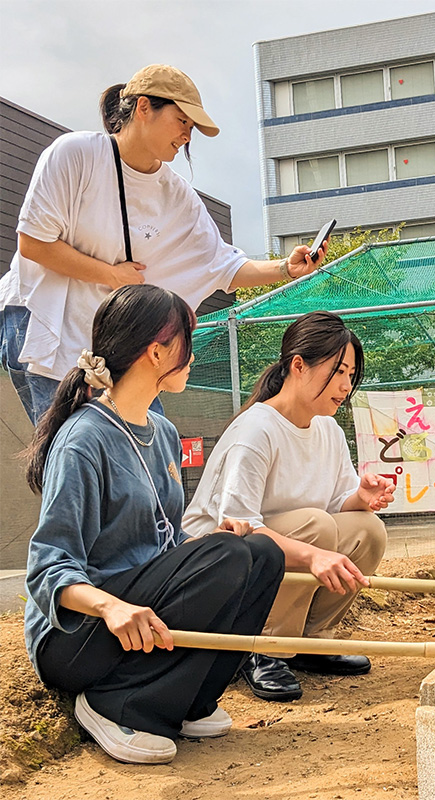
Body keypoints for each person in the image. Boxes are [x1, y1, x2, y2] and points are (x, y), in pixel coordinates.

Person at [24, 284, 287, 765]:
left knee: (262, 555)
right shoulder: (83, 441)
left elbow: (163, 541)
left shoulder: (162, 432)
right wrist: (112, 608)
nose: (193, 351)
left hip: (138, 611)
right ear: (157, 350)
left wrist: (210, 546)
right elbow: (48, 569)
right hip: (79, 635)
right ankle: (114, 703)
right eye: (188, 339)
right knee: (230, 556)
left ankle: (186, 701)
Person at [0, 63, 328, 425]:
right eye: (182, 121)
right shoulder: (76, 154)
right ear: (143, 108)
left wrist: (286, 267)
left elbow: (222, 265)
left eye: (192, 128)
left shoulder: (177, 195)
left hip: (109, 345)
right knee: (74, 452)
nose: (187, 135)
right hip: (42, 320)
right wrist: (111, 274)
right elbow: (34, 244)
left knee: (142, 454)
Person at [183, 310, 395, 702]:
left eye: (351, 374)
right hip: (215, 564)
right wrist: (313, 554)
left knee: (367, 530)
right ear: (298, 365)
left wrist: (361, 499)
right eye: (338, 371)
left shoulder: (327, 427)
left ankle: (312, 642)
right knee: (316, 527)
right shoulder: (256, 430)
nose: (346, 385)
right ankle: (261, 648)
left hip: (278, 547)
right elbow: (237, 526)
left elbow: (337, 504)